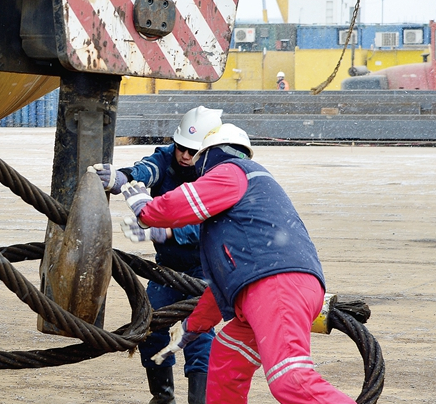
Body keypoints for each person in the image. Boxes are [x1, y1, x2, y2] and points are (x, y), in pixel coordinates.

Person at [120, 123, 356, 404]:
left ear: (209, 154)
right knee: (226, 360)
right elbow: (222, 284)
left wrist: (144, 208)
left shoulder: (231, 172)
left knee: (291, 381)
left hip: (275, 288)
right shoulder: (241, 204)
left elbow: (180, 204)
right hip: (264, 292)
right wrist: (190, 328)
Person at [92, 106, 223, 404]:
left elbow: (211, 226)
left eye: (193, 151)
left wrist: (166, 232)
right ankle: (163, 396)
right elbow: (147, 170)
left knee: (198, 334)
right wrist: (122, 177)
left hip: (202, 270)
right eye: (182, 148)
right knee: (150, 327)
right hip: (167, 268)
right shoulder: (166, 159)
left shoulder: (216, 174)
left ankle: (198, 400)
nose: (185, 156)